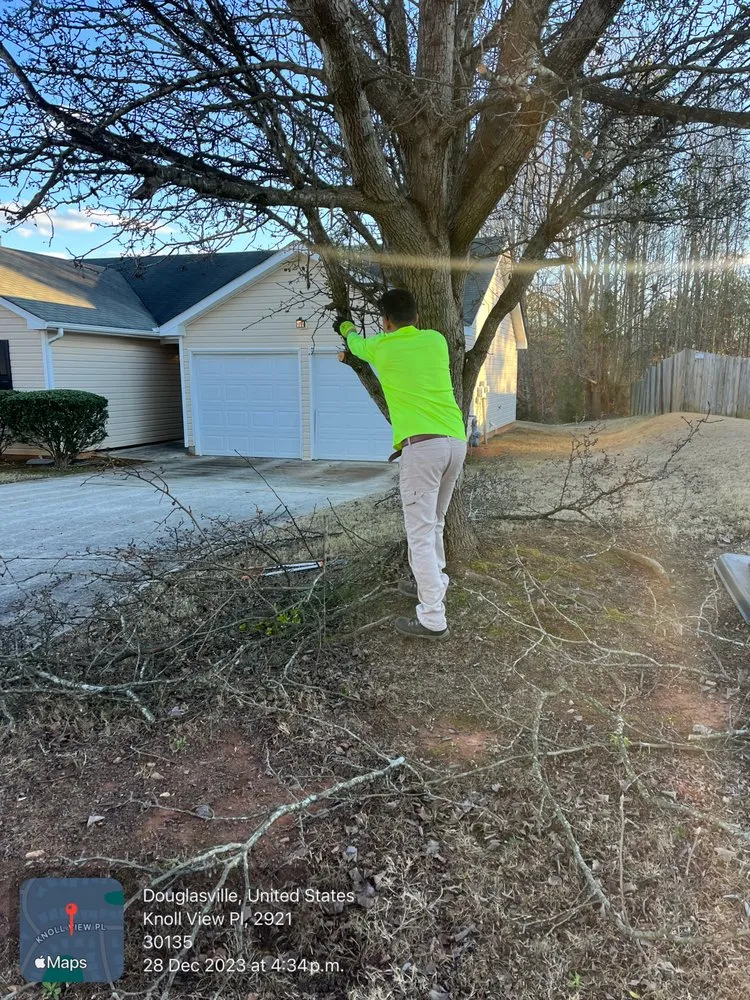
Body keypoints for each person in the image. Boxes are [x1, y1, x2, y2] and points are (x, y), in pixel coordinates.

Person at [335, 289, 467, 640]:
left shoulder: (382, 346)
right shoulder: (437, 341)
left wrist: (346, 327)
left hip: (422, 448)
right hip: (455, 442)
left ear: (386, 322)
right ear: (417, 317)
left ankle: (433, 618)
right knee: (435, 522)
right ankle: (433, 584)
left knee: (420, 533)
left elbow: (355, 344)